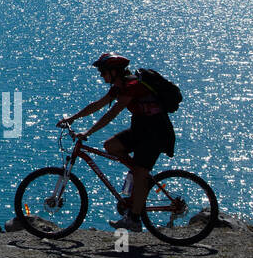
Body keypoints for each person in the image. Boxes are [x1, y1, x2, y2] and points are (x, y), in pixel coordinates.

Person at [60, 51, 175, 232]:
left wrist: (88, 131)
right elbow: (98, 104)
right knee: (110, 146)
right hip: (141, 129)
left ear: (115, 71)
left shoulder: (132, 85)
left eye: (103, 72)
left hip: (155, 133)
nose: (101, 75)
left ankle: (135, 219)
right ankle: (140, 176)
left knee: (139, 172)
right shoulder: (119, 85)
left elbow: (112, 113)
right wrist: (72, 118)